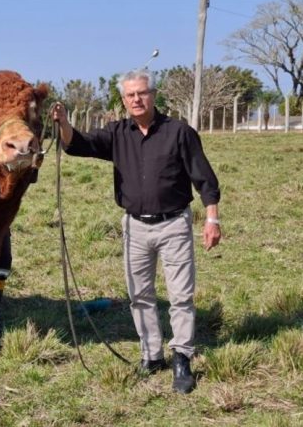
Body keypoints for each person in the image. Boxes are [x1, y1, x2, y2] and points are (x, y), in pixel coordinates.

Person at [51, 68, 221, 394]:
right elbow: (79, 144)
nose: (136, 99)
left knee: (181, 295)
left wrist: (212, 219)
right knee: (139, 295)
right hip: (134, 226)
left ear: (154, 95)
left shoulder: (179, 132)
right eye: (130, 95)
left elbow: (205, 179)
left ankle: (182, 357)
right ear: (124, 100)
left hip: (174, 224)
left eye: (142, 93)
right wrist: (63, 123)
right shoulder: (117, 133)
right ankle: (151, 355)